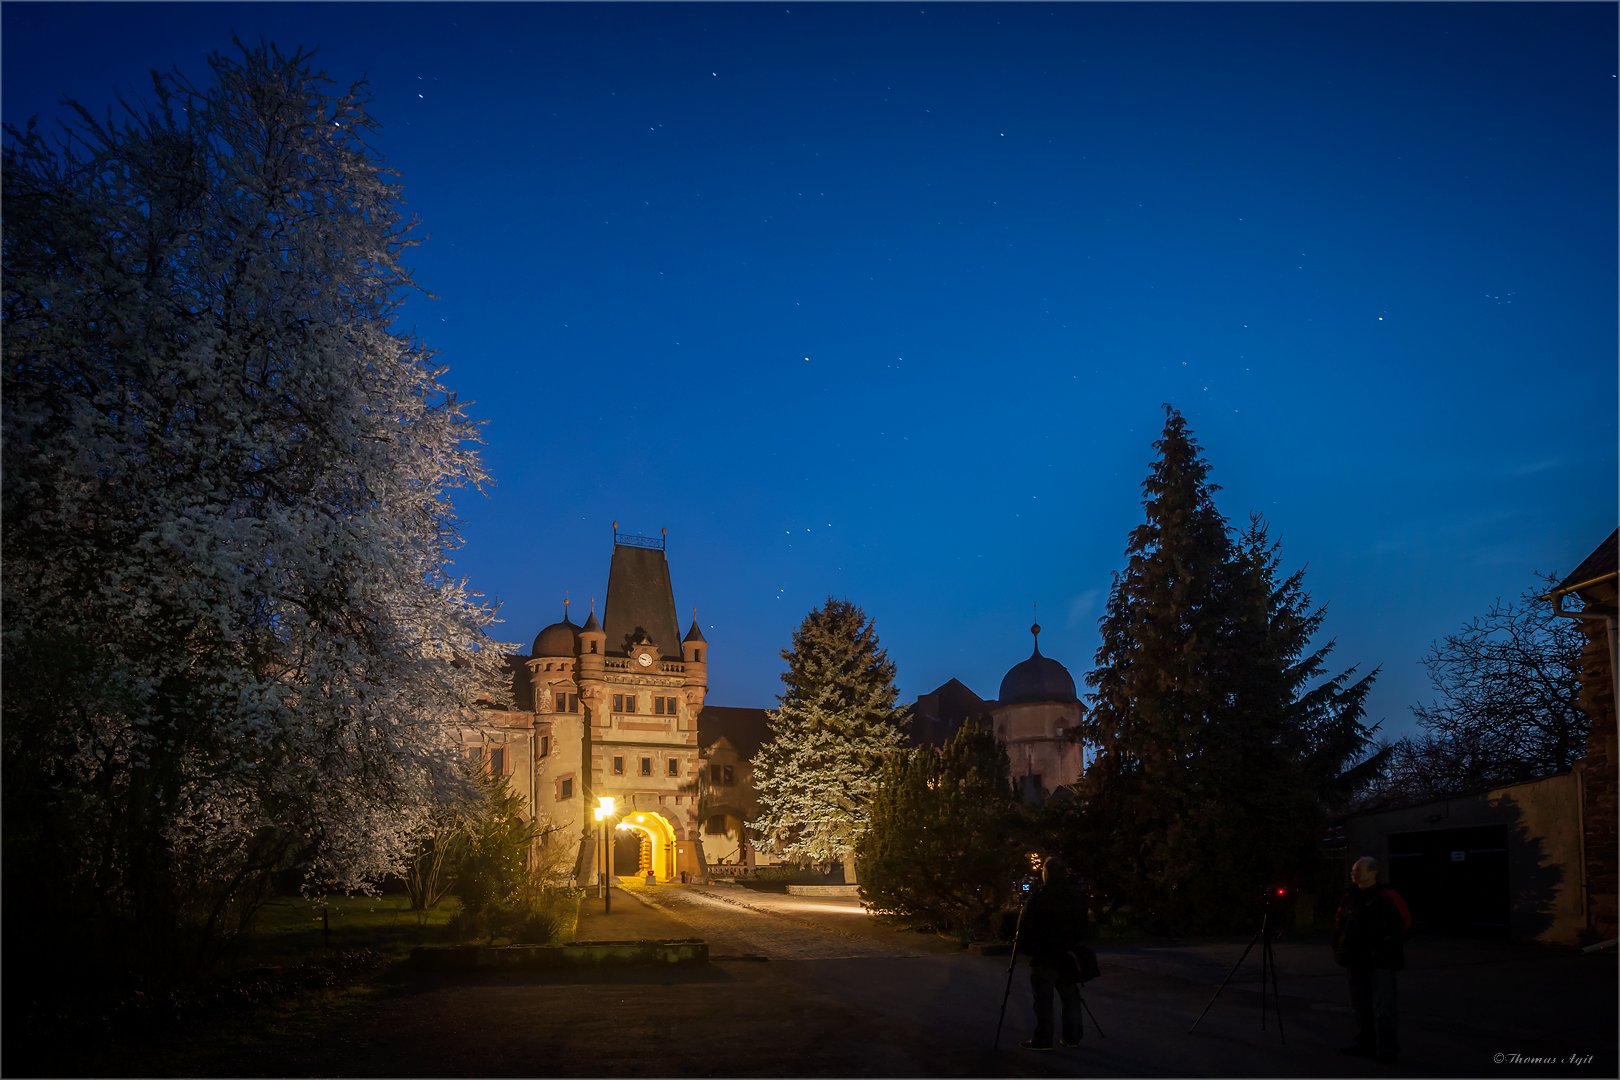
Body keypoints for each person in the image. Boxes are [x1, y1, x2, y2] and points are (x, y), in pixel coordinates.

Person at [1331, 855, 1413, 1064]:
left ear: (1373, 872)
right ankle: (1365, 1044)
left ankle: (1387, 1049)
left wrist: (1386, 945)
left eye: (1358, 870)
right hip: (1354, 960)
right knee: (1361, 1006)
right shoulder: (1350, 897)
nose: (1353, 874)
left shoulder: (1387, 896)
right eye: (1352, 871)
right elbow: (1340, 923)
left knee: (1384, 1006)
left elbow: (1407, 924)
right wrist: (1339, 947)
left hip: (1380, 962)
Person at [1016, 855, 1089, 1051]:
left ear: (1047, 874)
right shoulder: (1074, 895)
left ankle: (1043, 1039)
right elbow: (1083, 925)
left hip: (1043, 957)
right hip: (1066, 956)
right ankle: (1072, 1037)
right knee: (1070, 998)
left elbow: (1024, 928)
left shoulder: (1040, 897)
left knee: (1043, 1001)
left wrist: (1027, 950)